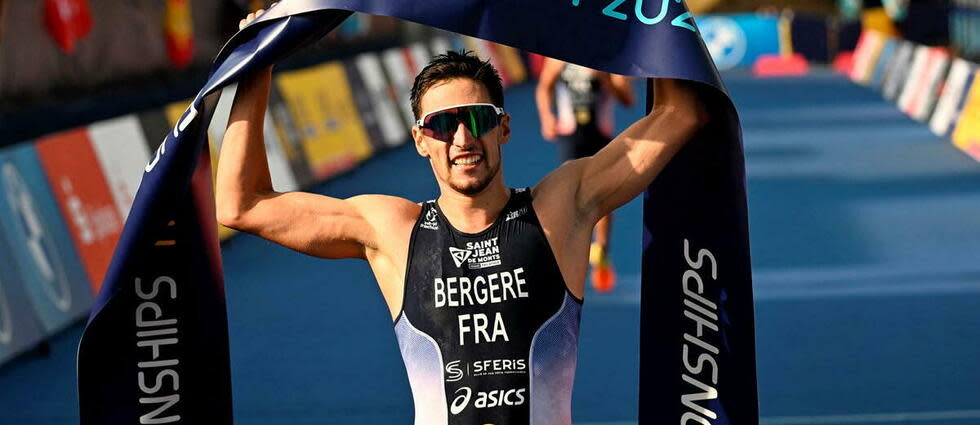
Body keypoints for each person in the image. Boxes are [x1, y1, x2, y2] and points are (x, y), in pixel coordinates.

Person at [217, 9, 707, 425]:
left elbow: (681, 113)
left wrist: (656, 14)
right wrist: (258, 67)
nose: (462, 139)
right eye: (442, 124)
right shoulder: (392, 230)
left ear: (504, 127)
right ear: (420, 140)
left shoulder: (561, 207)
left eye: (477, 119)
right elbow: (242, 203)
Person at [535, 58, 635, 293]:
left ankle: (601, 249)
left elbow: (628, 100)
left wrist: (604, 79)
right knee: (571, 191)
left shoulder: (608, 58)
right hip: (571, 137)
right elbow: (544, 87)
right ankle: (569, 250)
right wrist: (547, 117)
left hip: (599, 135)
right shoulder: (557, 58)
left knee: (603, 196)